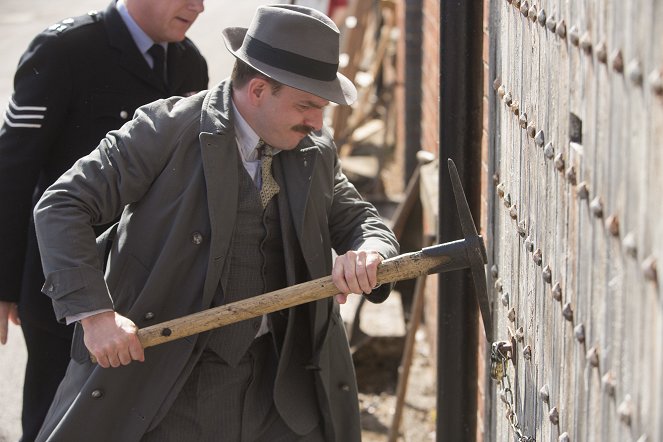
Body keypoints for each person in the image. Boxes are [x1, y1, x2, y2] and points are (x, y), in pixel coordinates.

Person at [33, 4, 399, 441]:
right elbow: (62, 203)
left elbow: (358, 219)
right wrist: (96, 316)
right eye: (306, 105)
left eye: (322, 108)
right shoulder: (165, 131)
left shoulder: (313, 149)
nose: (317, 122)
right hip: (170, 385)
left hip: (281, 390)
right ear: (259, 90)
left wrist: (372, 252)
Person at [0, 0, 208, 440]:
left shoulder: (190, 63)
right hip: (64, 285)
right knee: (54, 420)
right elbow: (12, 171)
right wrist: (2, 283)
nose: (200, 7)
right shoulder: (66, 49)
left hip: (149, 288)